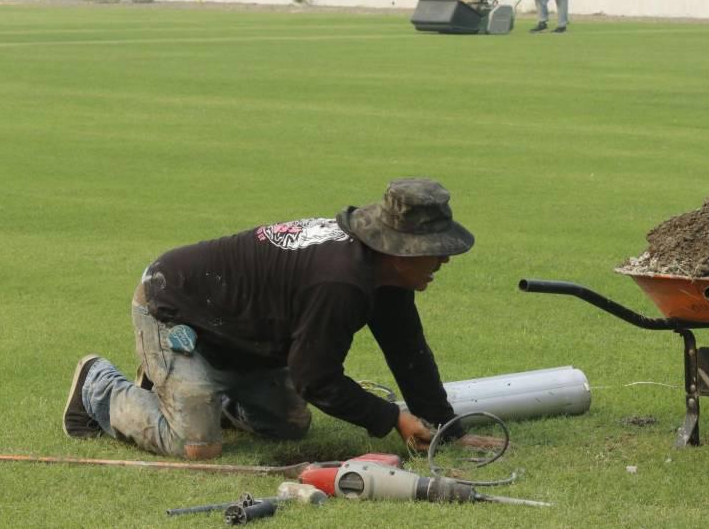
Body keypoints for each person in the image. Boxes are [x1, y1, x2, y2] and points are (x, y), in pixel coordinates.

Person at [63, 178, 494, 459]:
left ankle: (192, 391)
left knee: (289, 426)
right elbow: (315, 379)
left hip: (240, 333)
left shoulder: (385, 275)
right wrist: (392, 418)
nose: (444, 259)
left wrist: (445, 428)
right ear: (399, 251)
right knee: (197, 447)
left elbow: (408, 352)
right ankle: (98, 386)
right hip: (175, 308)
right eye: (435, 250)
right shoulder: (341, 283)